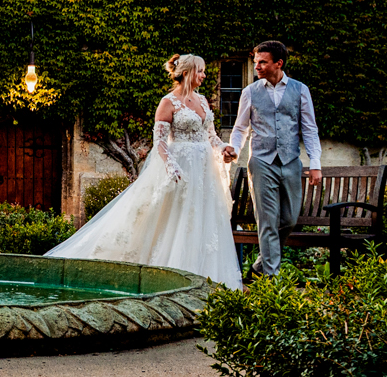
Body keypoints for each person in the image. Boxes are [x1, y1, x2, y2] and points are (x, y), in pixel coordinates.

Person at [46, 54, 243, 289]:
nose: (204, 75)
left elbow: (210, 135)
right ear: (188, 72)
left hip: (204, 170)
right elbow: (159, 141)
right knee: (174, 219)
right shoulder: (168, 102)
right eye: (200, 71)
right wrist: (170, 165)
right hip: (180, 167)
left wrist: (224, 148)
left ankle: (206, 279)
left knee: (202, 219)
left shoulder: (202, 101)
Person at [221, 40, 321, 278]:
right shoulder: (249, 92)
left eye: (262, 62)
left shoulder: (300, 90)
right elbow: (240, 128)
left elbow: (309, 129)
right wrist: (234, 148)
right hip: (262, 162)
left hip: (290, 162)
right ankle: (271, 279)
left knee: (289, 219)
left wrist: (315, 164)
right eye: (256, 62)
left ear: (279, 63)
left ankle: (258, 266)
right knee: (267, 221)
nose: (257, 66)